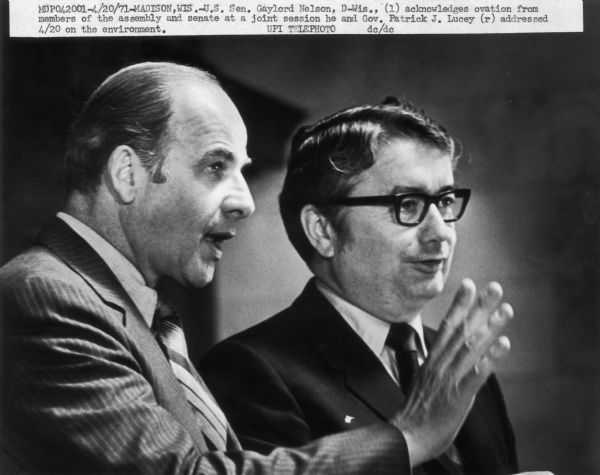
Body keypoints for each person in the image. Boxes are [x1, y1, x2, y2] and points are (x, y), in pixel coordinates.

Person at [1, 63, 513, 474]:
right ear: (128, 174)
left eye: (445, 201)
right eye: (215, 166)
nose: (246, 202)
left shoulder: (136, 311)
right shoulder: (45, 295)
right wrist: (411, 436)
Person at [200, 98, 519, 474]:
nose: (440, 234)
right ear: (322, 231)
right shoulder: (249, 372)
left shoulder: (461, 364)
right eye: (409, 203)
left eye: (445, 201)